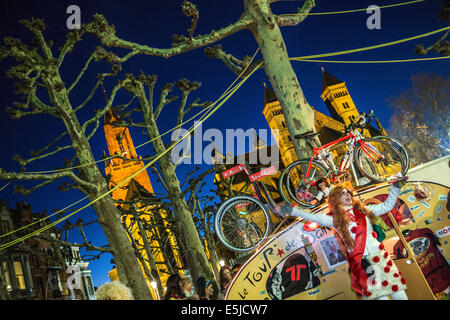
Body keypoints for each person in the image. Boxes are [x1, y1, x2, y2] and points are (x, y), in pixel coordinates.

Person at [280, 177, 409, 300]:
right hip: (363, 264)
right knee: (382, 298)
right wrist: (293, 211)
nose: (348, 194)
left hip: (380, 257)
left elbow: (386, 206)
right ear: (336, 199)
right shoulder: (334, 220)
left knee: (400, 296)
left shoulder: (364, 211)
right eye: (343, 193)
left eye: (348, 192)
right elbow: (316, 218)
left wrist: (396, 187)